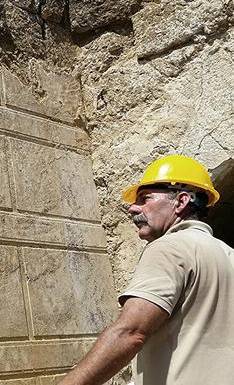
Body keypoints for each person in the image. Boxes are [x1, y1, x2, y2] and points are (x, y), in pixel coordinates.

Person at [59, 155, 234, 385]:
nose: (133, 208)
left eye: (145, 198)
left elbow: (130, 333)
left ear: (181, 202)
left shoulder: (169, 247)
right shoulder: (228, 254)